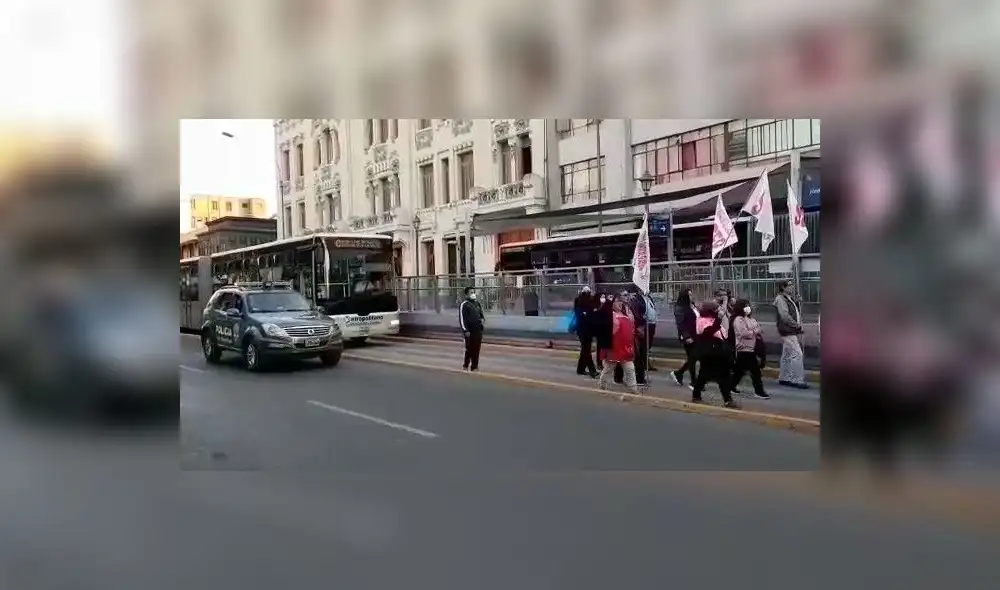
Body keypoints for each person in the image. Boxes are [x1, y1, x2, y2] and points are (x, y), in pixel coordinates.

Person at [691, 301, 740, 409]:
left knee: (717, 376)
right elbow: (709, 332)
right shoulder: (702, 321)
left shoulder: (714, 320)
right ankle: (727, 400)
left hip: (718, 353)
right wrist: (718, 319)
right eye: (716, 309)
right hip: (709, 353)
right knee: (711, 376)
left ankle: (726, 399)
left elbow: (724, 334)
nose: (719, 311)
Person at [597, 297, 639, 400]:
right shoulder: (609, 315)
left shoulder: (625, 314)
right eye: (616, 302)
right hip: (614, 347)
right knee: (609, 368)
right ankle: (602, 384)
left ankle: (633, 388)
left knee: (630, 368)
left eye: (620, 302)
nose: (619, 304)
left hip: (626, 347)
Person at [731, 299, 770, 399]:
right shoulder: (739, 319)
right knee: (755, 371)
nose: (748, 308)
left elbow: (757, 327)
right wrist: (755, 331)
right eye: (746, 306)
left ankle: (729, 386)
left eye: (748, 305)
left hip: (751, 348)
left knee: (740, 371)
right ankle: (759, 391)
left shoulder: (749, 318)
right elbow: (744, 333)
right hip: (744, 348)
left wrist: (755, 330)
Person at [774, 280, 809, 389]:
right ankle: (796, 379)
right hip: (787, 330)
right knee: (797, 354)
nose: (792, 287)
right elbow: (785, 315)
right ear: (783, 287)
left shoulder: (788, 298)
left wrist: (797, 303)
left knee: (787, 355)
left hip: (790, 330)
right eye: (790, 285)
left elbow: (793, 312)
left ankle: (784, 377)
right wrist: (796, 325)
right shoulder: (780, 299)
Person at [670, 288, 699, 388]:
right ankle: (693, 382)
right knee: (693, 357)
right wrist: (686, 336)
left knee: (693, 358)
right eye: (689, 295)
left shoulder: (693, 306)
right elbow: (680, 324)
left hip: (696, 335)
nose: (692, 296)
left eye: (692, 294)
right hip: (688, 337)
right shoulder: (680, 308)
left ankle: (679, 373)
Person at [573, 286, 598, 378]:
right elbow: (583, 315)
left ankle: (580, 369)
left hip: (587, 330)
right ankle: (592, 370)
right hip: (583, 330)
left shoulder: (588, 301)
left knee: (585, 350)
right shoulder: (580, 302)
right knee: (586, 350)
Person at [459, 286, 485, 371]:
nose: (473, 294)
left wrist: (482, 320)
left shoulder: (477, 303)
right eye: (471, 292)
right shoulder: (464, 304)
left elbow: (481, 315)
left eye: (473, 292)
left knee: (477, 349)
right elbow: (462, 319)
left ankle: (474, 366)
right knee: (469, 348)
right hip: (469, 331)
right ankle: (466, 365)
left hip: (478, 330)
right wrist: (465, 330)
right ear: (466, 295)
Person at [593, 293, 614, 373]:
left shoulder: (607, 305)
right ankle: (599, 363)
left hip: (607, 329)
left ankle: (607, 362)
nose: (603, 298)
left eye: (604, 297)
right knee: (600, 347)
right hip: (599, 330)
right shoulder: (596, 306)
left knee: (607, 347)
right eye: (601, 297)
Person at [639, 290, 659, 370]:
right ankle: (644, 364)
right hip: (645, 324)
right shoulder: (638, 299)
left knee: (649, 344)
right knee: (644, 345)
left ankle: (646, 362)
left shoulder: (649, 298)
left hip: (652, 323)